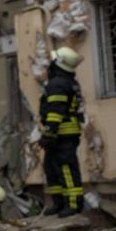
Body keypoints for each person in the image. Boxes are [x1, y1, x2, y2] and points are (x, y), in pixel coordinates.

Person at [39, 47, 85, 216]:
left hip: (62, 135)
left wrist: (49, 132)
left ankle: (73, 205)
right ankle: (58, 203)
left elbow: (55, 111)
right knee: (51, 167)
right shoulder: (67, 82)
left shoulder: (58, 83)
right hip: (63, 133)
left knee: (65, 168)